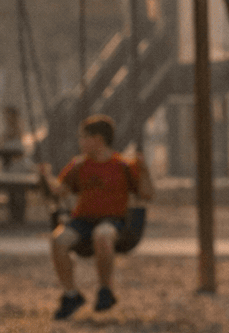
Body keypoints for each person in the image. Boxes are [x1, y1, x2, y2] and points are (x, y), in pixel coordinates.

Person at [38, 113, 154, 320]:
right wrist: (45, 176)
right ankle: (71, 295)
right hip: (82, 221)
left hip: (114, 221)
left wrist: (144, 170)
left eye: (83, 137)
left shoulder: (123, 166)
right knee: (58, 239)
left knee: (102, 234)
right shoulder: (79, 165)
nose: (80, 142)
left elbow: (147, 195)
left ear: (98, 139)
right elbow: (60, 192)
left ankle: (105, 290)